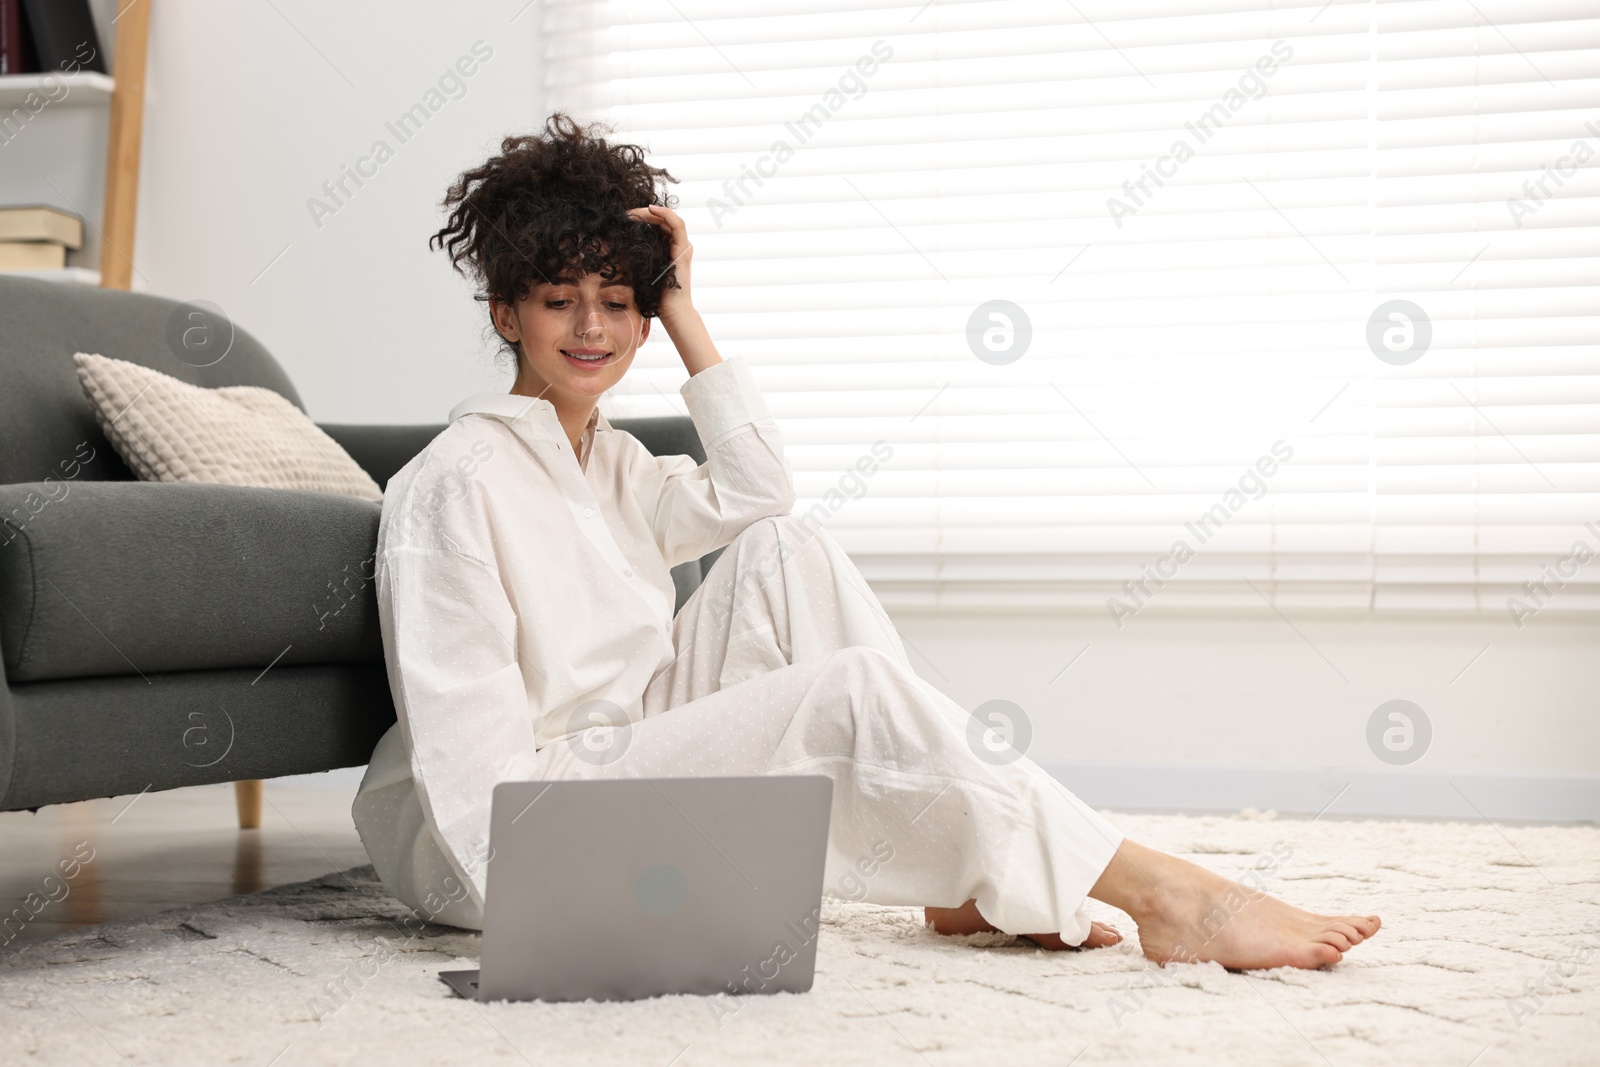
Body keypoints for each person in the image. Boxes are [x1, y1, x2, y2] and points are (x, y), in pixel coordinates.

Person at [351, 114, 1380, 970]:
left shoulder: (613, 464)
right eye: (558, 300)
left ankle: (960, 866)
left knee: (784, 550)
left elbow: (760, 487)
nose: (593, 328)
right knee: (849, 689)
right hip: (503, 840)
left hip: (609, 758)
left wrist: (680, 301)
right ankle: (1170, 892)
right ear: (506, 311)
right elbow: (472, 788)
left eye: (617, 303)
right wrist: (545, 898)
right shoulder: (455, 484)